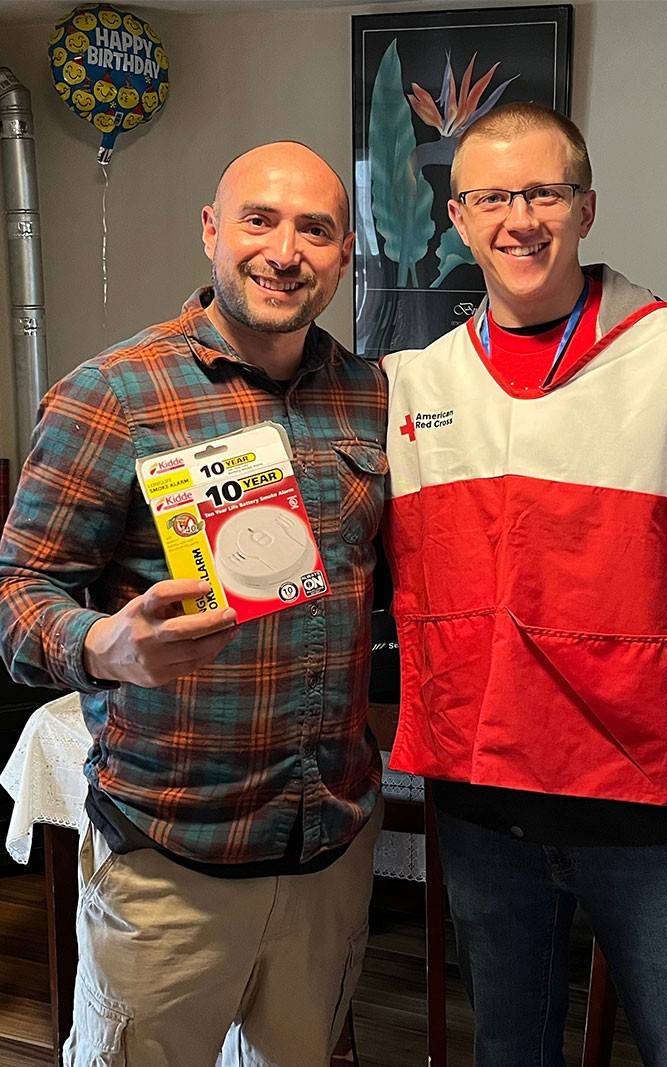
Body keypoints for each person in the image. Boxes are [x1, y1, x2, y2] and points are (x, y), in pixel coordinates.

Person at [380, 102, 667, 1066]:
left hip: (648, 816)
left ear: (587, 205)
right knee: (507, 1051)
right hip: (482, 811)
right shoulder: (411, 384)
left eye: (544, 192)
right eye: (492, 195)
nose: (519, 218)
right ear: (456, 217)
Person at [0, 142, 388, 1067]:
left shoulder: (369, 394)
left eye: (315, 229)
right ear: (212, 232)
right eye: (259, 219)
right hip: (173, 853)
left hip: (328, 842)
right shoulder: (113, 393)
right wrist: (103, 644)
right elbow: (17, 592)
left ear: (343, 258)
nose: (285, 250)